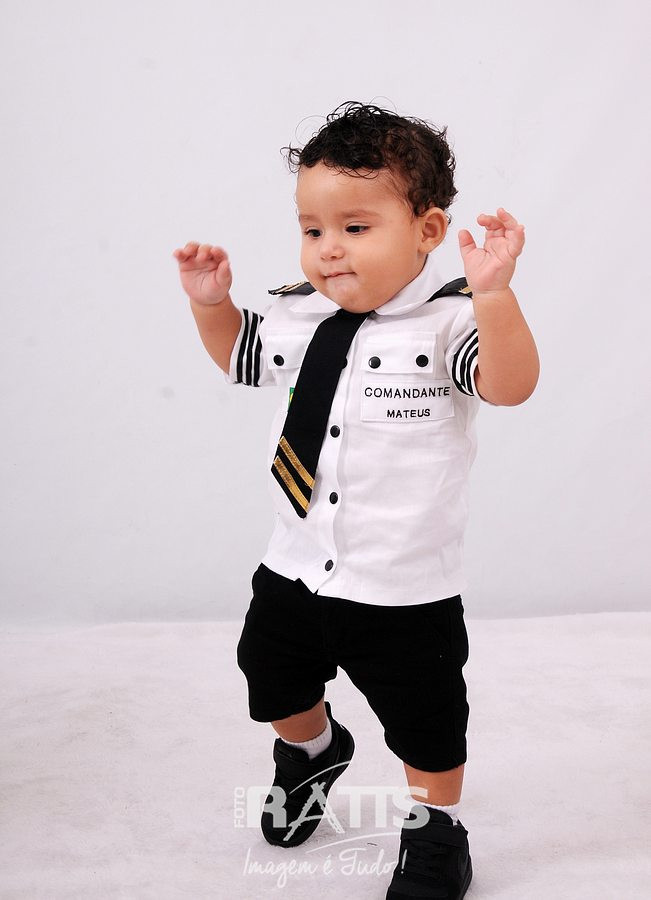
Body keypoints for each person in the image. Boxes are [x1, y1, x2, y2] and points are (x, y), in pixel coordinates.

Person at [173, 102, 539, 900]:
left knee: (425, 721)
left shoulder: (450, 324)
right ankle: (312, 752)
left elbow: (509, 385)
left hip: (402, 586)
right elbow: (241, 357)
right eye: (311, 229)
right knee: (270, 676)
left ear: (427, 230)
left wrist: (495, 296)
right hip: (297, 564)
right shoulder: (299, 314)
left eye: (355, 227)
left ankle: (435, 829)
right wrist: (211, 306)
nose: (327, 248)